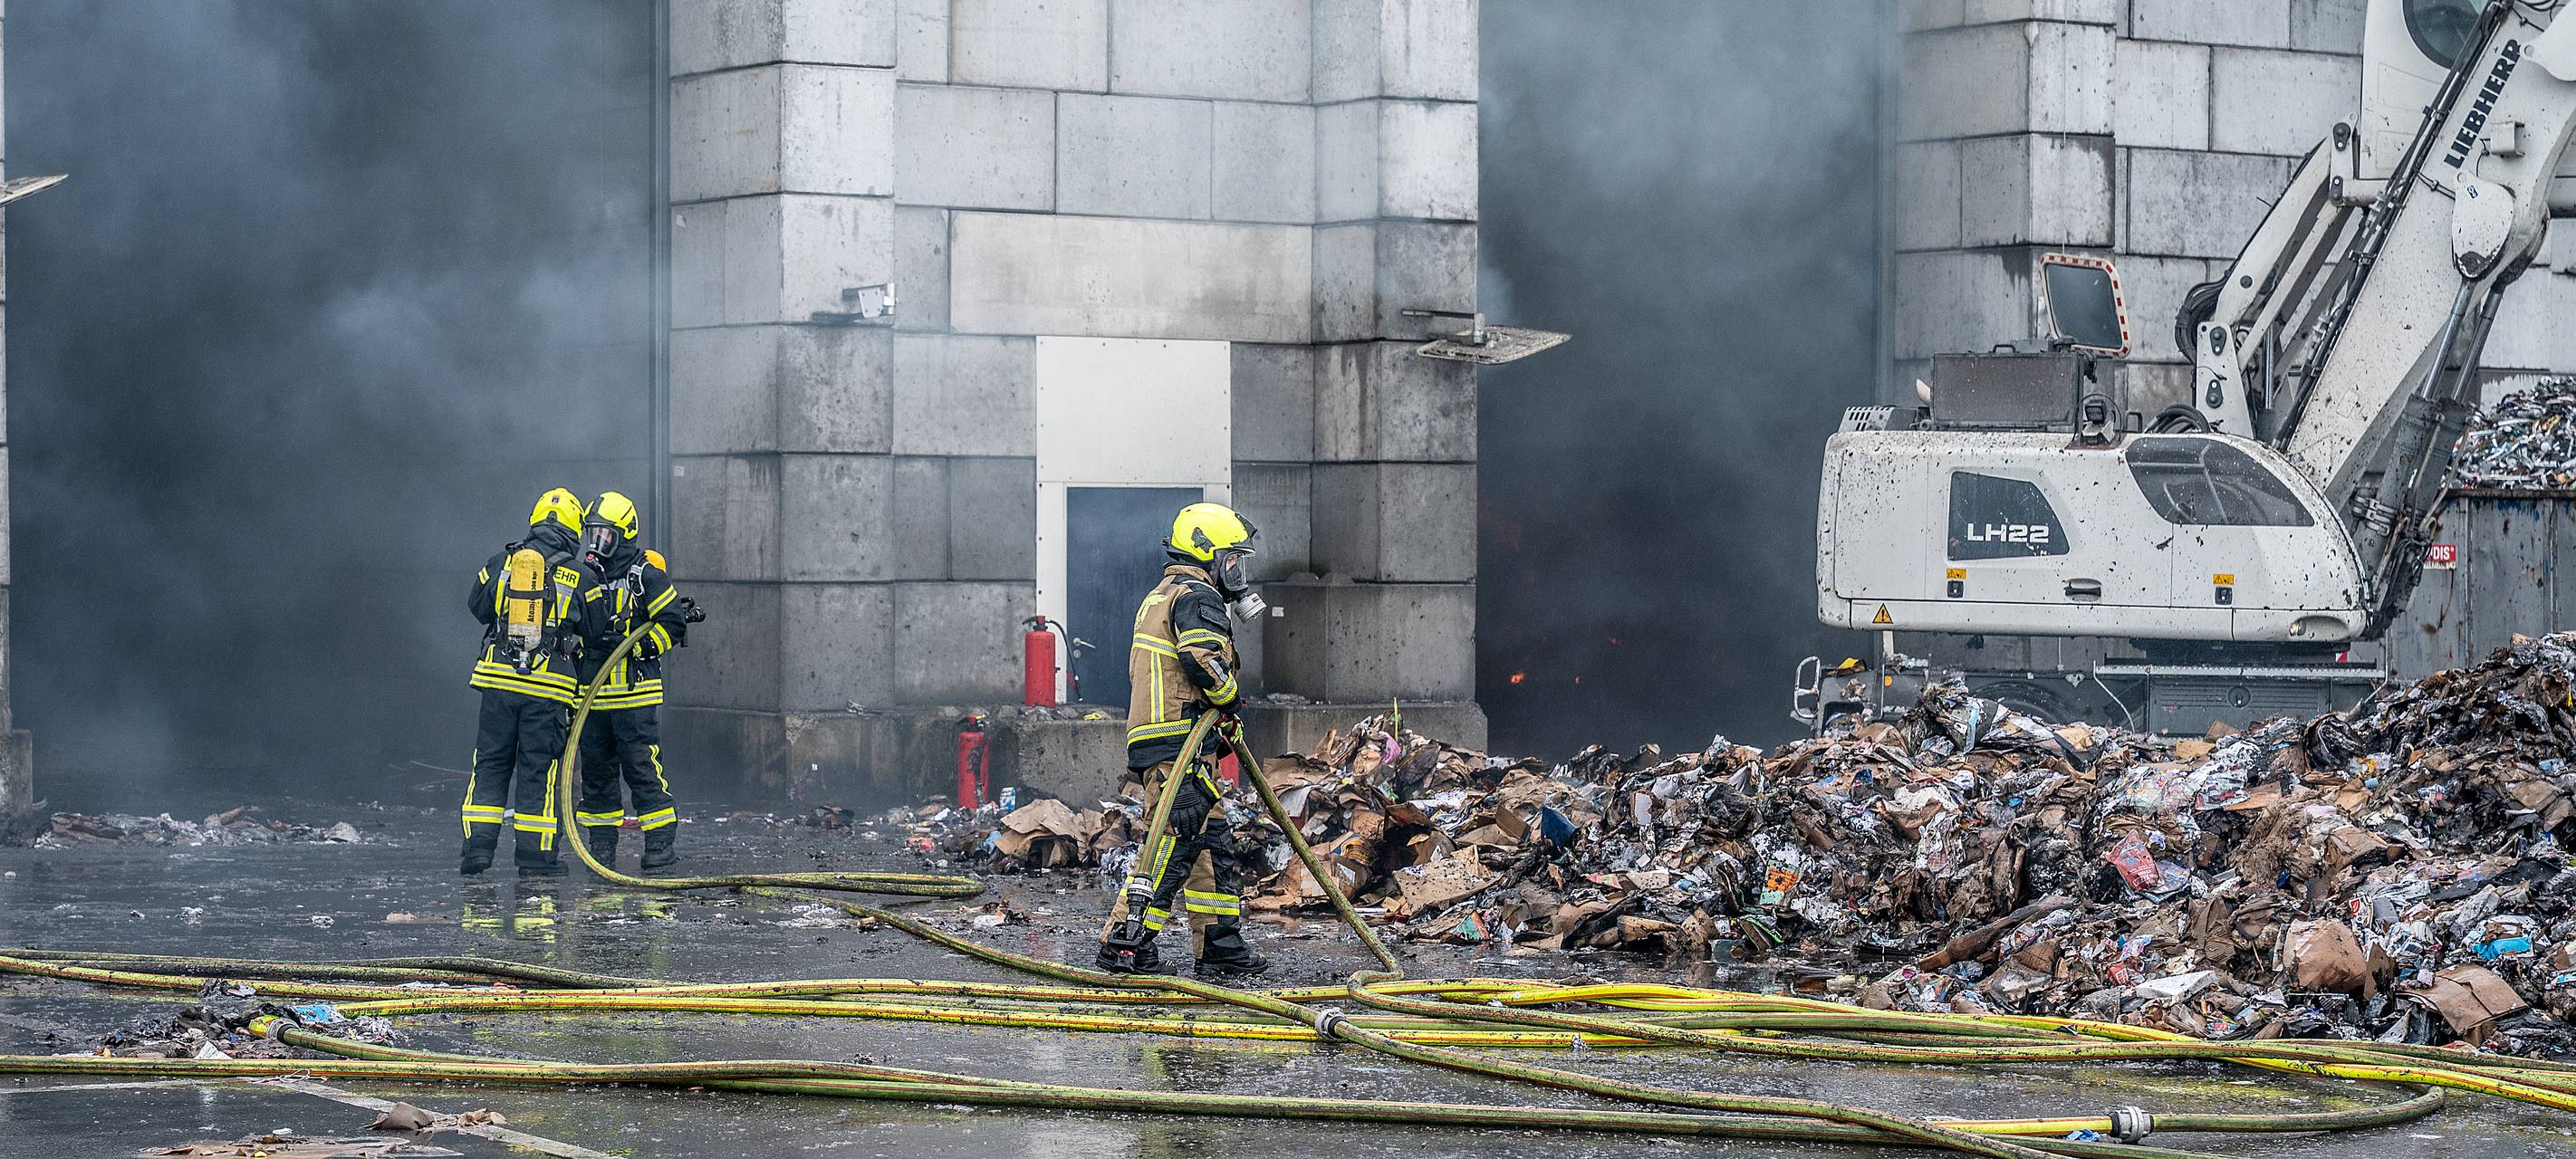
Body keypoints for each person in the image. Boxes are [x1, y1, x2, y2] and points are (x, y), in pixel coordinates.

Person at [1095, 502, 1271, 976]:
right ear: (1207, 554)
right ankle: (1125, 941)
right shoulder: (1197, 596)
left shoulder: (1164, 595)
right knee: (1174, 840)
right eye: (1232, 560)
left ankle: (1219, 946)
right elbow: (1201, 659)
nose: (1237, 573)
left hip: (1176, 739)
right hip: (1177, 743)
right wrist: (1229, 701)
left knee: (1210, 844)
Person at [461, 487, 610, 876]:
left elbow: (477, 606)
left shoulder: (502, 562)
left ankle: (477, 850)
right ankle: (535, 855)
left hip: (497, 681)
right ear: (574, 529)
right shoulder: (581, 576)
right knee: (538, 770)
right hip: (547, 689)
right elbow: (597, 630)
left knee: (490, 764)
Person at [572, 491, 697, 871]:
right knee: (596, 776)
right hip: (592, 698)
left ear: (624, 535)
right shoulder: (585, 577)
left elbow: (672, 624)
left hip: (634, 695)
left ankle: (659, 841)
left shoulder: (645, 576)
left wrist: (637, 647)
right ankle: (601, 847)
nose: (597, 542)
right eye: (593, 533)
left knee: (641, 768)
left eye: (605, 535)